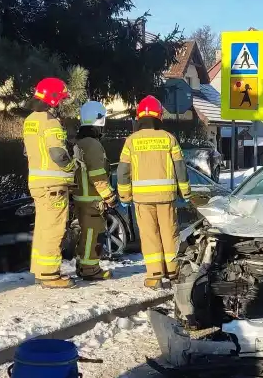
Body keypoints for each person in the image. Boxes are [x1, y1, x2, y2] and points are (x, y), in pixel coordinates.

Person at [117, 96, 191, 289]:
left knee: (149, 235)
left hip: (142, 199)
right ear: (159, 116)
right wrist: (185, 193)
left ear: (139, 116)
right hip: (166, 197)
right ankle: (173, 270)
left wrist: (125, 196)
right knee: (169, 233)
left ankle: (154, 274)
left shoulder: (131, 141)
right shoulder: (169, 138)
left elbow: (123, 171)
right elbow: (180, 169)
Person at [23, 78, 76, 288]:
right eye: (60, 99)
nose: (60, 104)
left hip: (37, 183)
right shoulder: (50, 122)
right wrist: (71, 167)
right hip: (52, 184)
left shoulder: (30, 120)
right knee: (54, 228)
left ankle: (41, 270)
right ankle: (51, 275)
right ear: (52, 99)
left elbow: (27, 151)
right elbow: (57, 154)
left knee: (43, 228)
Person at [72, 100, 118, 281]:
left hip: (81, 197)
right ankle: (91, 270)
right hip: (92, 199)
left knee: (85, 235)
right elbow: (98, 175)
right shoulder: (93, 145)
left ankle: (83, 266)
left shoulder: (80, 142)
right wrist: (109, 197)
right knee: (93, 235)